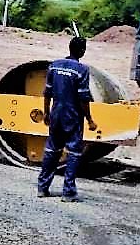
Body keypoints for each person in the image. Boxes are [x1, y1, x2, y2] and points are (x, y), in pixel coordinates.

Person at [37, 36, 98, 202]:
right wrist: (90, 119)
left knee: (51, 151)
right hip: (72, 117)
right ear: (82, 51)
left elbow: (47, 92)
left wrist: (46, 113)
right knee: (74, 153)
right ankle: (68, 192)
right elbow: (83, 98)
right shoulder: (82, 70)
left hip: (56, 114)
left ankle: (42, 188)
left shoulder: (54, 66)